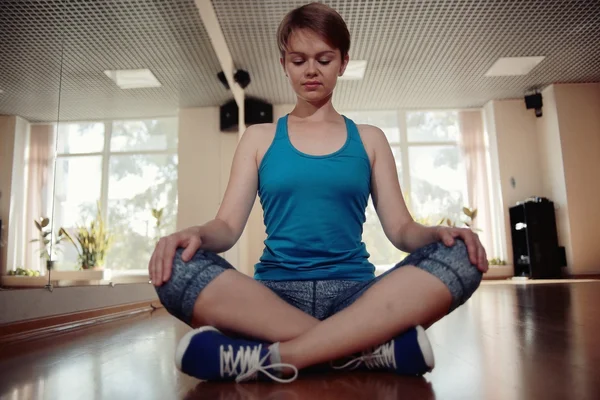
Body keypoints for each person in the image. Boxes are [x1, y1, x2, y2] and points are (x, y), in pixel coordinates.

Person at [148, 2, 487, 384]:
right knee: (173, 264)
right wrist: (194, 234)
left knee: (463, 257)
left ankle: (275, 357)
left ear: (343, 62)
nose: (311, 70)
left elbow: (401, 229)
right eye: (298, 60)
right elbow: (226, 226)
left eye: (324, 59)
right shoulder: (259, 138)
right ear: (284, 64)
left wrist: (435, 235)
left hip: (357, 298)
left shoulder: (370, 139)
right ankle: (363, 351)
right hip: (271, 300)